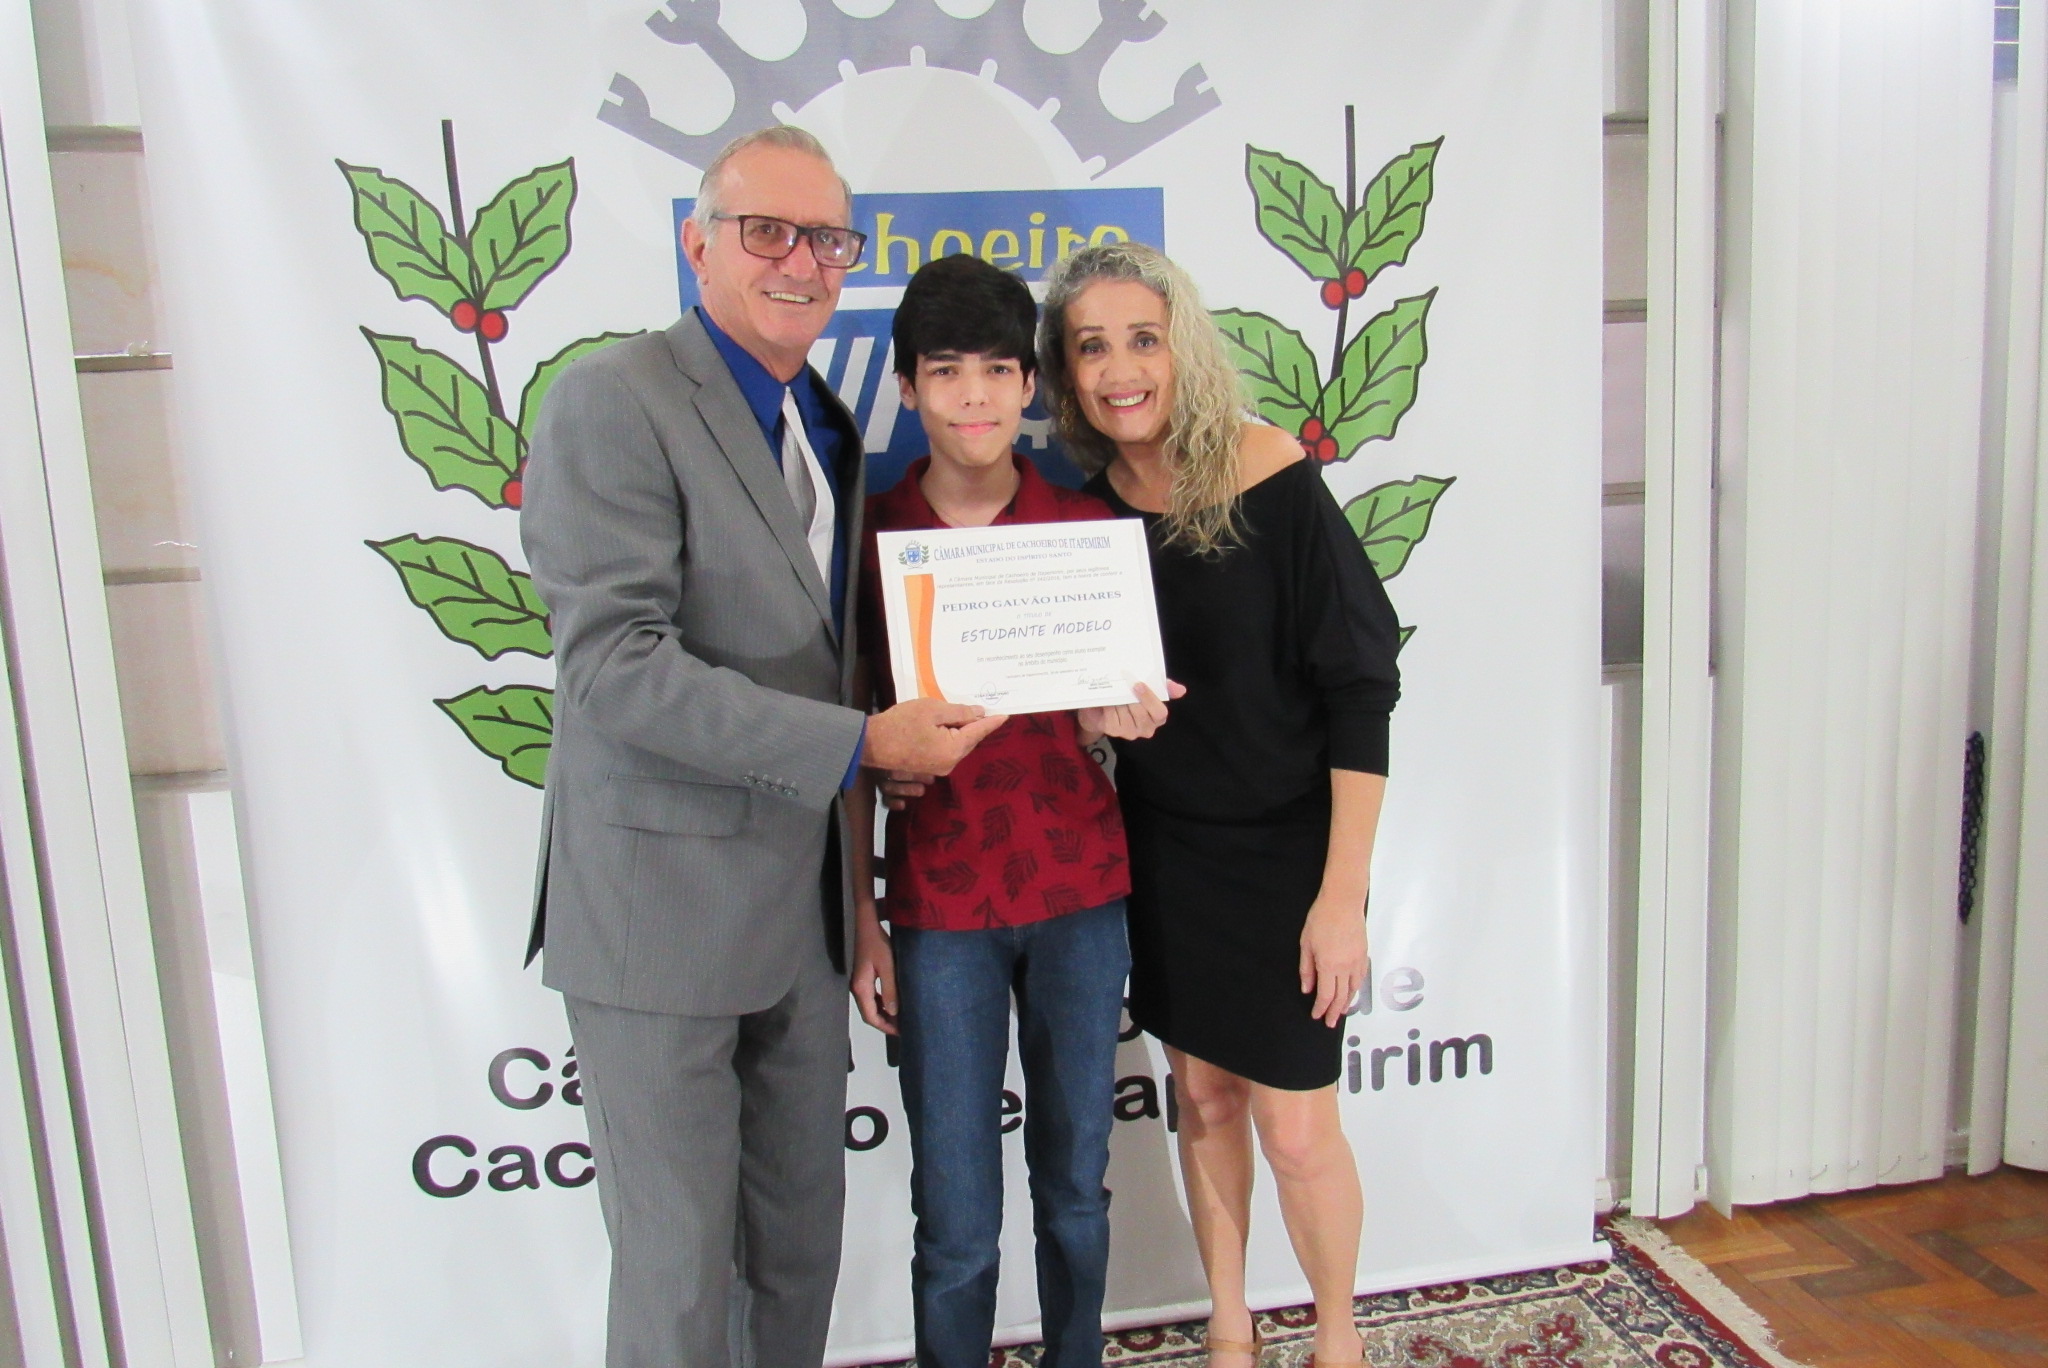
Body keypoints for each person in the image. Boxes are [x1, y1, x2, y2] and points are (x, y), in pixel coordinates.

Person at [519, 125, 1004, 1368]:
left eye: (826, 239)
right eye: (766, 232)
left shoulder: (825, 421)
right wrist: (858, 742)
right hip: (658, 918)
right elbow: (614, 669)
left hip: (800, 920)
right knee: (677, 1273)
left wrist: (866, 866)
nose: (801, 261)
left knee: (797, 1254)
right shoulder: (611, 399)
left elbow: (828, 661)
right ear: (698, 245)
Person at [1037, 241, 1402, 1368]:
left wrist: (1341, 899)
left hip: (1290, 855)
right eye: (1091, 347)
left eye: (1142, 340)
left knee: (1295, 1125)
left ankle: (1336, 1341)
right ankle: (1230, 1332)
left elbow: (1361, 686)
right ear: (1066, 372)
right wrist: (1093, 715)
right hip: (1165, 852)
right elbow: (1074, 700)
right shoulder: (1087, 515)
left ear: (1181, 347)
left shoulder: (1269, 471)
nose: (1119, 370)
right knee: (1200, 1100)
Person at [847, 253, 1143, 1368]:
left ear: (1029, 385)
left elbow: (1127, 711)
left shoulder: (1085, 527)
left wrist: (1123, 720)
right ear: (908, 388)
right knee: (957, 1220)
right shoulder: (868, 540)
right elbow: (845, 745)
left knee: (1074, 1191)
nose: (972, 395)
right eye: (944, 371)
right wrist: (864, 919)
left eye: (995, 370)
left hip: (1080, 892)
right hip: (938, 905)